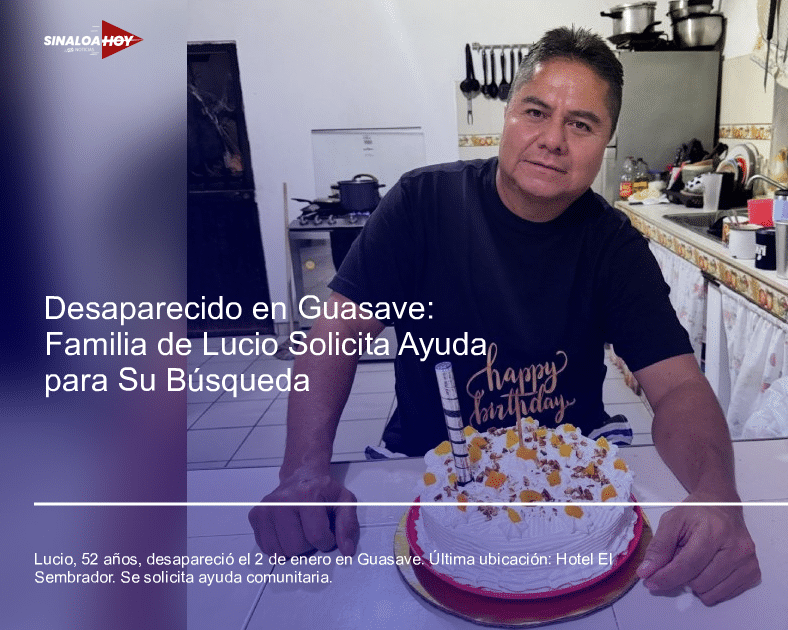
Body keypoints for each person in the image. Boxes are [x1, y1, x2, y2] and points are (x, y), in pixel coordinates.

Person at [249, 26, 760, 607]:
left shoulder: (613, 245)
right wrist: (303, 472)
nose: (553, 140)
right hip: (431, 467)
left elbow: (678, 388)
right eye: (536, 111)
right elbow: (334, 336)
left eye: (581, 124)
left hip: (571, 483)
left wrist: (719, 494)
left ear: (606, 143)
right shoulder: (421, 204)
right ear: (508, 114)